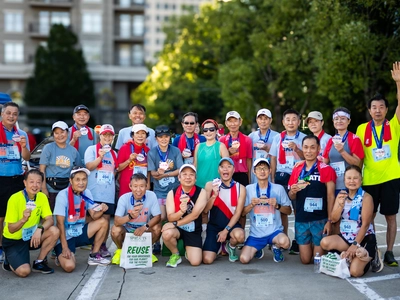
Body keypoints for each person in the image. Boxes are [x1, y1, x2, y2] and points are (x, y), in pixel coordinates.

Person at [355, 63, 400, 268]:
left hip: (391, 177)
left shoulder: (394, 125)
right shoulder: (362, 129)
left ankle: (389, 252)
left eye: (382, 106)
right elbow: (360, 157)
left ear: (387, 109)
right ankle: (374, 249)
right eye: (374, 107)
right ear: (369, 110)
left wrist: (398, 83)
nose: (378, 110)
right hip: (370, 179)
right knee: (369, 216)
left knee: (390, 216)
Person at [320, 165, 378, 277]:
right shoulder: (342, 195)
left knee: (354, 272)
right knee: (324, 243)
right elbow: (334, 218)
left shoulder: (366, 197)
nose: (352, 181)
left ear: (361, 180)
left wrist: (355, 244)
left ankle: (370, 255)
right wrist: (340, 206)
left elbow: (365, 224)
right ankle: (350, 254)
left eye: (355, 178)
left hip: (363, 239)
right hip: (347, 237)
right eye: (349, 178)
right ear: (344, 180)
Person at [288, 135, 336, 264]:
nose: (308, 151)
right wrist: (292, 192)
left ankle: (320, 246)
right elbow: (292, 196)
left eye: (312, 147)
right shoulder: (297, 169)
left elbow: (331, 196)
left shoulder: (327, 169)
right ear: (302, 149)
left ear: (319, 149)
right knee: (305, 260)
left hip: (319, 219)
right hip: (302, 219)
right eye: (306, 147)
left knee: (318, 260)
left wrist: (329, 221)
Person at [2, 169, 59, 276]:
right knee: (24, 272)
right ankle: (9, 260)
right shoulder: (15, 199)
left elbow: (50, 219)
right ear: (25, 183)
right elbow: (11, 229)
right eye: (31, 182)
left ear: (42, 184)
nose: (35, 185)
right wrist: (23, 219)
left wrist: (40, 228)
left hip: (31, 237)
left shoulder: (42, 197)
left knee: (54, 231)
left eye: (38, 182)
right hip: (14, 240)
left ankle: (39, 262)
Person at [53, 167, 111, 272]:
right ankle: (59, 254)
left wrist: (102, 210)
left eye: (84, 179)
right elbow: (60, 224)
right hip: (66, 236)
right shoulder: (62, 195)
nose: (81, 183)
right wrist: (65, 247)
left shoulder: (86, 192)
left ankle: (94, 255)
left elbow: (94, 216)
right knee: (69, 267)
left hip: (79, 231)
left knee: (103, 221)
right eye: (78, 179)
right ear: (71, 181)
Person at [240, 158, 292, 264]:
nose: (262, 171)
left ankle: (276, 248)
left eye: (265, 168)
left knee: (285, 242)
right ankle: (257, 249)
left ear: (270, 171)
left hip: (274, 232)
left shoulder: (278, 188)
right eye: (259, 168)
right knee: (244, 259)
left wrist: (277, 205)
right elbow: (242, 213)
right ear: (254, 172)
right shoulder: (248, 189)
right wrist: (251, 205)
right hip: (256, 234)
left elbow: (289, 211)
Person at [269, 108, 306, 254]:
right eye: (288, 119)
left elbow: (307, 157)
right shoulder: (278, 138)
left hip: (298, 177)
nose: (291, 122)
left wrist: (296, 149)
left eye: (294, 119)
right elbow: (272, 157)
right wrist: (272, 177)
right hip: (281, 176)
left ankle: (298, 240)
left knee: (298, 210)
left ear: (298, 122)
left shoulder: (303, 138)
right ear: (283, 122)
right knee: (281, 210)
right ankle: (281, 239)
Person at [0, 102, 31, 262]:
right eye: (8, 113)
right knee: (0, 216)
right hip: (1, 179)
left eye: (15, 114)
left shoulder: (21, 134)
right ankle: (1, 247)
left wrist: (24, 146)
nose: (11, 116)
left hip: (17, 179)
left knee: (15, 215)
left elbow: (26, 157)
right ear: (2, 114)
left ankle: (13, 245)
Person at [161, 164, 207, 267]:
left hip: (193, 228)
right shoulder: (171, 193)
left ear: (195, 179)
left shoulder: (201, 192)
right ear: (179, 177)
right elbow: (170, 217)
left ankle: (189, 251)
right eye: (184, 174)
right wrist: (181, 212)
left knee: (195, 262)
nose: (188, 177)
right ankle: (175, 254)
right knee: (166, 233)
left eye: (191, 175)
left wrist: (175, 223)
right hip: (177, 229)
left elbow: (195, 215)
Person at [202, 157, 246, 264]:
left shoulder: (240, 188)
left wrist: (226, 231)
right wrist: (214, 196)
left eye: (228, 166)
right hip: (214, 225)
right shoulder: (210, 185)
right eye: (222, 167)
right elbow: (205, 210)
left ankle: (230, 246)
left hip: (231, 226)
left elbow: (238, 213)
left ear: (233, 170)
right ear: (218, 170)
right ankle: (217, 246)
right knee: (207, 260)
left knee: (240, 236)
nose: (225, 169)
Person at [84, 124, 119, 258]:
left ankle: (102, 245)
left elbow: (115, 171)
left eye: (110, 135)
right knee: (91, 218)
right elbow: (89, 166)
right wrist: (100, 156)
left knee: (105, 219)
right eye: (105, 135)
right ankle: (90, 243)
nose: (107, 137)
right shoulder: (91, 149)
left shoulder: (114, 153)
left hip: (108, 193)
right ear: (100, 136)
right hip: (93, 192)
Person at [111, 173, 161, 265]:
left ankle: (147, 250)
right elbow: (116, 221)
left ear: (146, 186)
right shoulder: (124, 198)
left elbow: (158, 217)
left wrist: (145, 227)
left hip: (143, 230)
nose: (138, 190)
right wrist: (130, 216)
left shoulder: (152, 195)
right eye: (135, 186)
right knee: (115, 230)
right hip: (127, 231)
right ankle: (120, 250)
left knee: (157, 228)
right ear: (130, 186)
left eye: (142, 186)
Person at [39, 121, 81, 211]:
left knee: (65, 216)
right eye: (56, 133)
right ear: (53, 134)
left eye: (62, 132)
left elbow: (78, 171)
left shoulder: (73, 151)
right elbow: (42, 169)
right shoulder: (48, 148)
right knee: (49, 217)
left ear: (68, 133)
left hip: (67, 189)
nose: (60, 135)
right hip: (51, 189)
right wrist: (43, 188)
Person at [323, 107, 364, 193]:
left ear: (349, 121)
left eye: (343, 119)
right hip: (332, 185)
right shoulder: (331, 140)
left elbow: (357, 163)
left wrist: (342, 151)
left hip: (349, 185)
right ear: (333, 122)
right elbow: (324, 162)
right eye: (336, 119)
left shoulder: (354, 139)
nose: (339, 121)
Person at [148, 125, 183, 221]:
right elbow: (152, 173)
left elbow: (180, 170)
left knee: (174, 216)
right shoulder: (152, 153)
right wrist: (157, 173)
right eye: (160, 137)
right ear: (156, 138)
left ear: (170, 137)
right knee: (161, 216)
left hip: (175, 190)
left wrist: (165, 174)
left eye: (166, 136)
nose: (164, 139)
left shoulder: (176, 151)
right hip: (160, 191)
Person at [219, 111, 253, 186]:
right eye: (230, 121)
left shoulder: (247, 140)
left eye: (235, 121)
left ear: (240, 122)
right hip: (226, 175)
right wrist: (228, 152)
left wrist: (249, 179)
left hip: (242, 175)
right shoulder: (222, 140)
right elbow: (219, 159)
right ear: (226, 123)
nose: (233, 124)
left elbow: (248, 160)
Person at [194, 119, 229, 189]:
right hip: (198, 186)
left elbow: (227, 168)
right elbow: (195, 166)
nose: (208, 132)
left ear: (216, 131)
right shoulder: (198, 146)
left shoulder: (221, 146)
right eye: (205, 130)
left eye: (211, 129)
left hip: (215, 187)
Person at [117, 124, 150, 197]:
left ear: (146, 136)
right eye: (137, 133)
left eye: (143, 133)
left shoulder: (147, 150)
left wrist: (148, 184)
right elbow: (118, 168)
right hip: (127, 185)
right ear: (132, 135)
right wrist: (129, 160)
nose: (140, 136)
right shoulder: (125, 148)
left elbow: (148, 170)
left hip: (142, 187)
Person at [248, 109, 279, 184]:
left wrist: (268, 149)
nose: (263, 121)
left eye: (266, 119)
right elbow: (249, 159)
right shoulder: (251, 136)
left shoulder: (277, 136)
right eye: (260, 118)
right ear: (257, 120)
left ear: (270, 120)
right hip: (254, 175)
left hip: (270, 174)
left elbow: (280, 156)